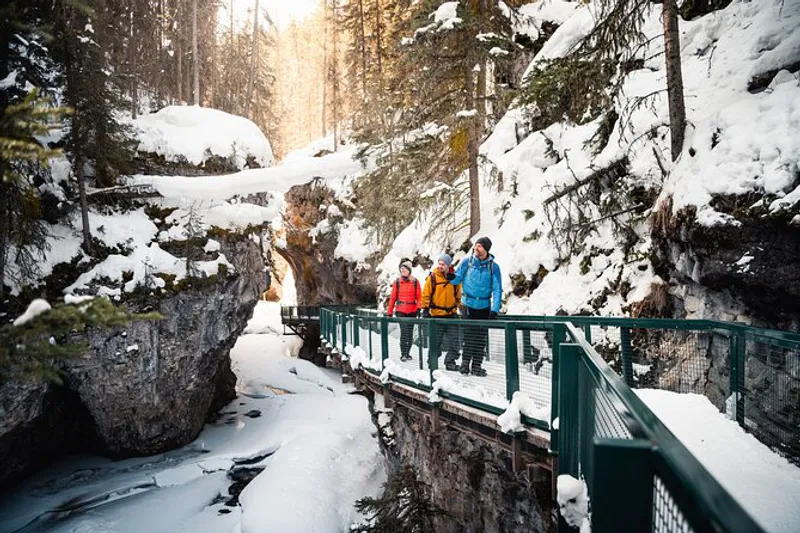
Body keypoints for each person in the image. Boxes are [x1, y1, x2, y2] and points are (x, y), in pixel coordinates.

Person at [447, 237, 501, 376]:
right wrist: (450, 277)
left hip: (484, 306)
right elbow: (457, 279)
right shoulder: (467, 262)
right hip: (468, 304)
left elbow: (497, 289)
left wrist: (494, 310)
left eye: (480, 246)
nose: (476, 248)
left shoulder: (493, 267)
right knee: (469, 336)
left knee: (480, 338)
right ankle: (465, 364)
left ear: (486, 249)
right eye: (476, 245)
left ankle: (477, 366)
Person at [419, 253, 462, 371]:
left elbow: (458, 295)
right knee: (436, 342)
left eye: (443, 264)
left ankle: (450, 362)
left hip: (451, 314)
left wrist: (460, 307)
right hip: (436, 315)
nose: (440, 266)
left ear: (448, 265)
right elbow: (426, 294)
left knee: (455, 341)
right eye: (439, 264)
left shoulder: (454, 278)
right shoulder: (433, 277)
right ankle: (432, 362)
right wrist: (425, 309)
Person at [387, 260, 421, 361]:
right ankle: (403, 354)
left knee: (409, 333)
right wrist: (389, 312)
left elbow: (419, 297)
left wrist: (419, 308)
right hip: (401, 310)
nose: (402, 271)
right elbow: (393, 298)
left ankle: (407, 353)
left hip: (412, 311)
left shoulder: (415, 282)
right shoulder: (397, 282)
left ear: (409, 270)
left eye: (404, 269)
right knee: (404, 331)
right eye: (401, 269)